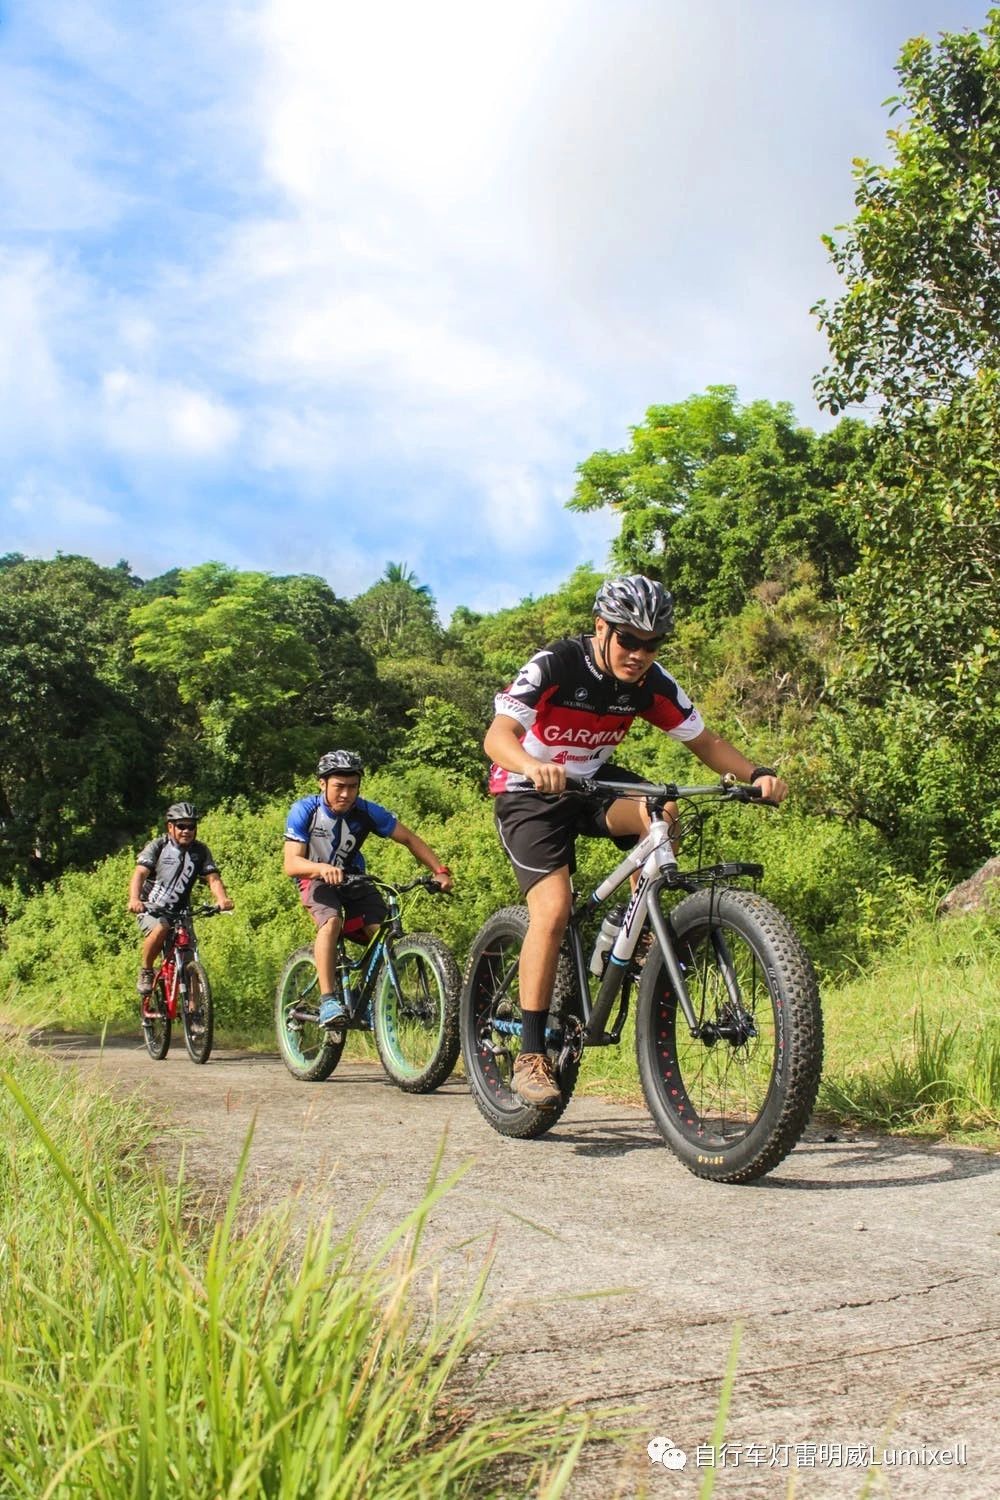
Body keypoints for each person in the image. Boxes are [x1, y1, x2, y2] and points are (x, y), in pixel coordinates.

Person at [484, 574, 788, 1108]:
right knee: (552, 911)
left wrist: (756, 773)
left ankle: (630, 925)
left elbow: (706, 741)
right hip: (528, 790)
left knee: (660, 810)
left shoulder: (651, 683)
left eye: (652, 644)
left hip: (593, 784)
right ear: (601, 628)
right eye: (628, 640)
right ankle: (531, 1053)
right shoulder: (555, 663)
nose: (639, 654)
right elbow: (497, 736)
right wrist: (534, 764)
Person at [283, 750, 454, 1027]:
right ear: (322, 783)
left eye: (352, 786)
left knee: (381, 933)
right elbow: (291, 863)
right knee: (332, 921)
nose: (346, 794)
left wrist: (439, 871)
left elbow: (409, 839)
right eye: (339, 786)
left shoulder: (366, 812)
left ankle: (373, 997)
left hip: (353, 878)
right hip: (313, 876)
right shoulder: (305, 810)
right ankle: (328, 1001)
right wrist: (321, 868)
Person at [128, 801, 234, 997]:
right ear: (170, 827)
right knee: (161, 927)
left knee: (189, 957)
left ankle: (195, 1016)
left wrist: (222, 899)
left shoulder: (200, 851)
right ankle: (146, 971)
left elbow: (213, 878)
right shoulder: (158, 846)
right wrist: (134, 899)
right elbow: (140, 874)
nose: (187, 831)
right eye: (181, 826)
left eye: (191, 826)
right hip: (152, 908)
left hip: (181, 911)